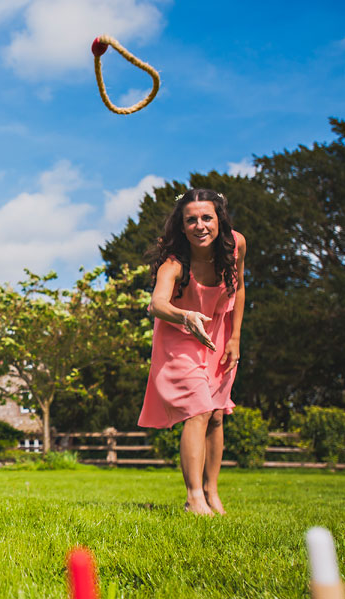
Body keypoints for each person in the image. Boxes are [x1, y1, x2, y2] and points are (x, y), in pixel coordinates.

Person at [138, 188, 246, 516]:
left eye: (207, 218)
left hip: (218, 334)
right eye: (191, 220)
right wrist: (186, 316)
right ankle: (194, 498)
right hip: (178, 337)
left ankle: (212, 493)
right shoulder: (174, 262)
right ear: (181, 226)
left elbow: (239, 286)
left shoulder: (236, 244)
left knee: (215, 414)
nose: (200, 225)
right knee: (198, 410)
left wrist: (235, 337)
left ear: (219, 221)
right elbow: (156, 304)